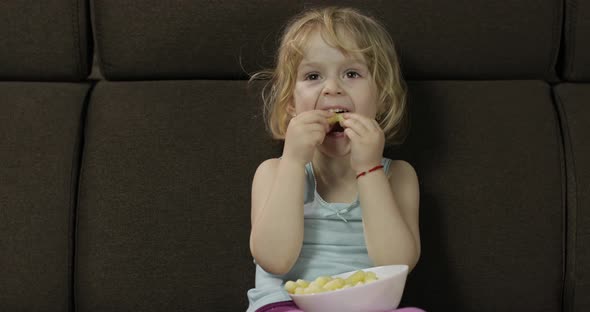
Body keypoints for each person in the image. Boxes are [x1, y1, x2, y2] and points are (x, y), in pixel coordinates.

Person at [247, 7, 422, 312]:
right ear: (290, 103)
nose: (332, 88)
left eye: (351, 73)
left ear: (381, 96)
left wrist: (369, 169)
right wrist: (292, 162)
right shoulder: (273, 172)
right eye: (313, 76)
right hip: (284, 304)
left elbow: (398, 265)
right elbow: (274, 260)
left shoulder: (399, 175)